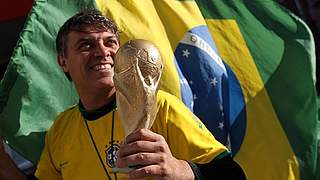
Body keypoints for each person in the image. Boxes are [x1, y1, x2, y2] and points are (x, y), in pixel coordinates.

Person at [34, 9, 246, 180]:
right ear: (63, 62)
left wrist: (179, 170)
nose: (103, 52)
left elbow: (233, 175)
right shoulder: (60, 129)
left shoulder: (161, 106)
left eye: (110, 42)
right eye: (86, 45)